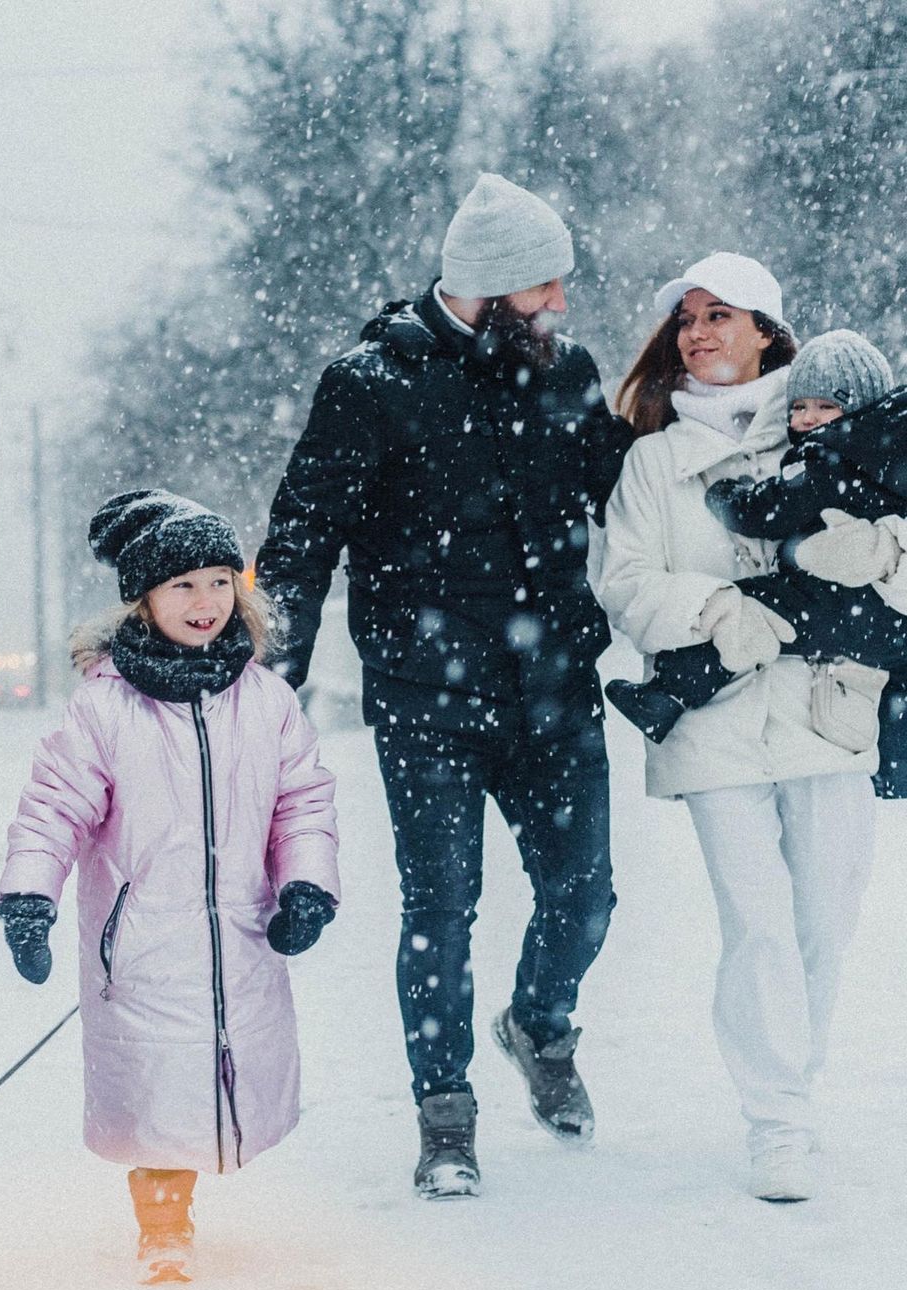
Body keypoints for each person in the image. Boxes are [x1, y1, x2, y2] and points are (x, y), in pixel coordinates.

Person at [256, 172, 632, 1198]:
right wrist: (269, 684)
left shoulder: (565, 371)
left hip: (554, 680)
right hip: (428, 694)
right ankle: (446, 1116)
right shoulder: (371, 381)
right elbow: (302, 537)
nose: (562, 304)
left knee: (585, 894)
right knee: (442, 904)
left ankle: (540, 1026)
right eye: (546, 286)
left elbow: (636, 497)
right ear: (492, 287)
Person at [0, 490, 340, 1282]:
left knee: (226, 1066)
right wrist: (29, 898)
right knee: (155, 1088)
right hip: (142, 943)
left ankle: (193, 1189)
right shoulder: (105, 709)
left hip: (241, 934)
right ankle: (163, 1225)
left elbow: (302, 801)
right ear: (144, 599)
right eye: (182, 584)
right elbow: (54, 809)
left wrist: (306, 885)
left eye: (220, 580)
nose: (206, 601)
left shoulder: (267, 700)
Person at [592, 253, 879, 1202]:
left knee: (824, 923)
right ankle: (778, 1123)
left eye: (722, 314)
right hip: (712, 720)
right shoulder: (652, 460)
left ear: (767, 330)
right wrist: (717, 609)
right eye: (685, 319)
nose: (699, 333)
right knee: (755, 922)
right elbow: (625, 582)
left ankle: (797, 1081)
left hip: (829, 709)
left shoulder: (841, 429)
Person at [604, 331, 907, 778]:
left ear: (859, 408)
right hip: (885, 617)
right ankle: (896, 765)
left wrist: (727, 497)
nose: (808, 419)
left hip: (848, 606)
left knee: (751, 612)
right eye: (799, 406)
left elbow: (766, 512)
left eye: (826, 406)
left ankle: (667, 694)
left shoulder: (827, 458)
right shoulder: (886, 458)